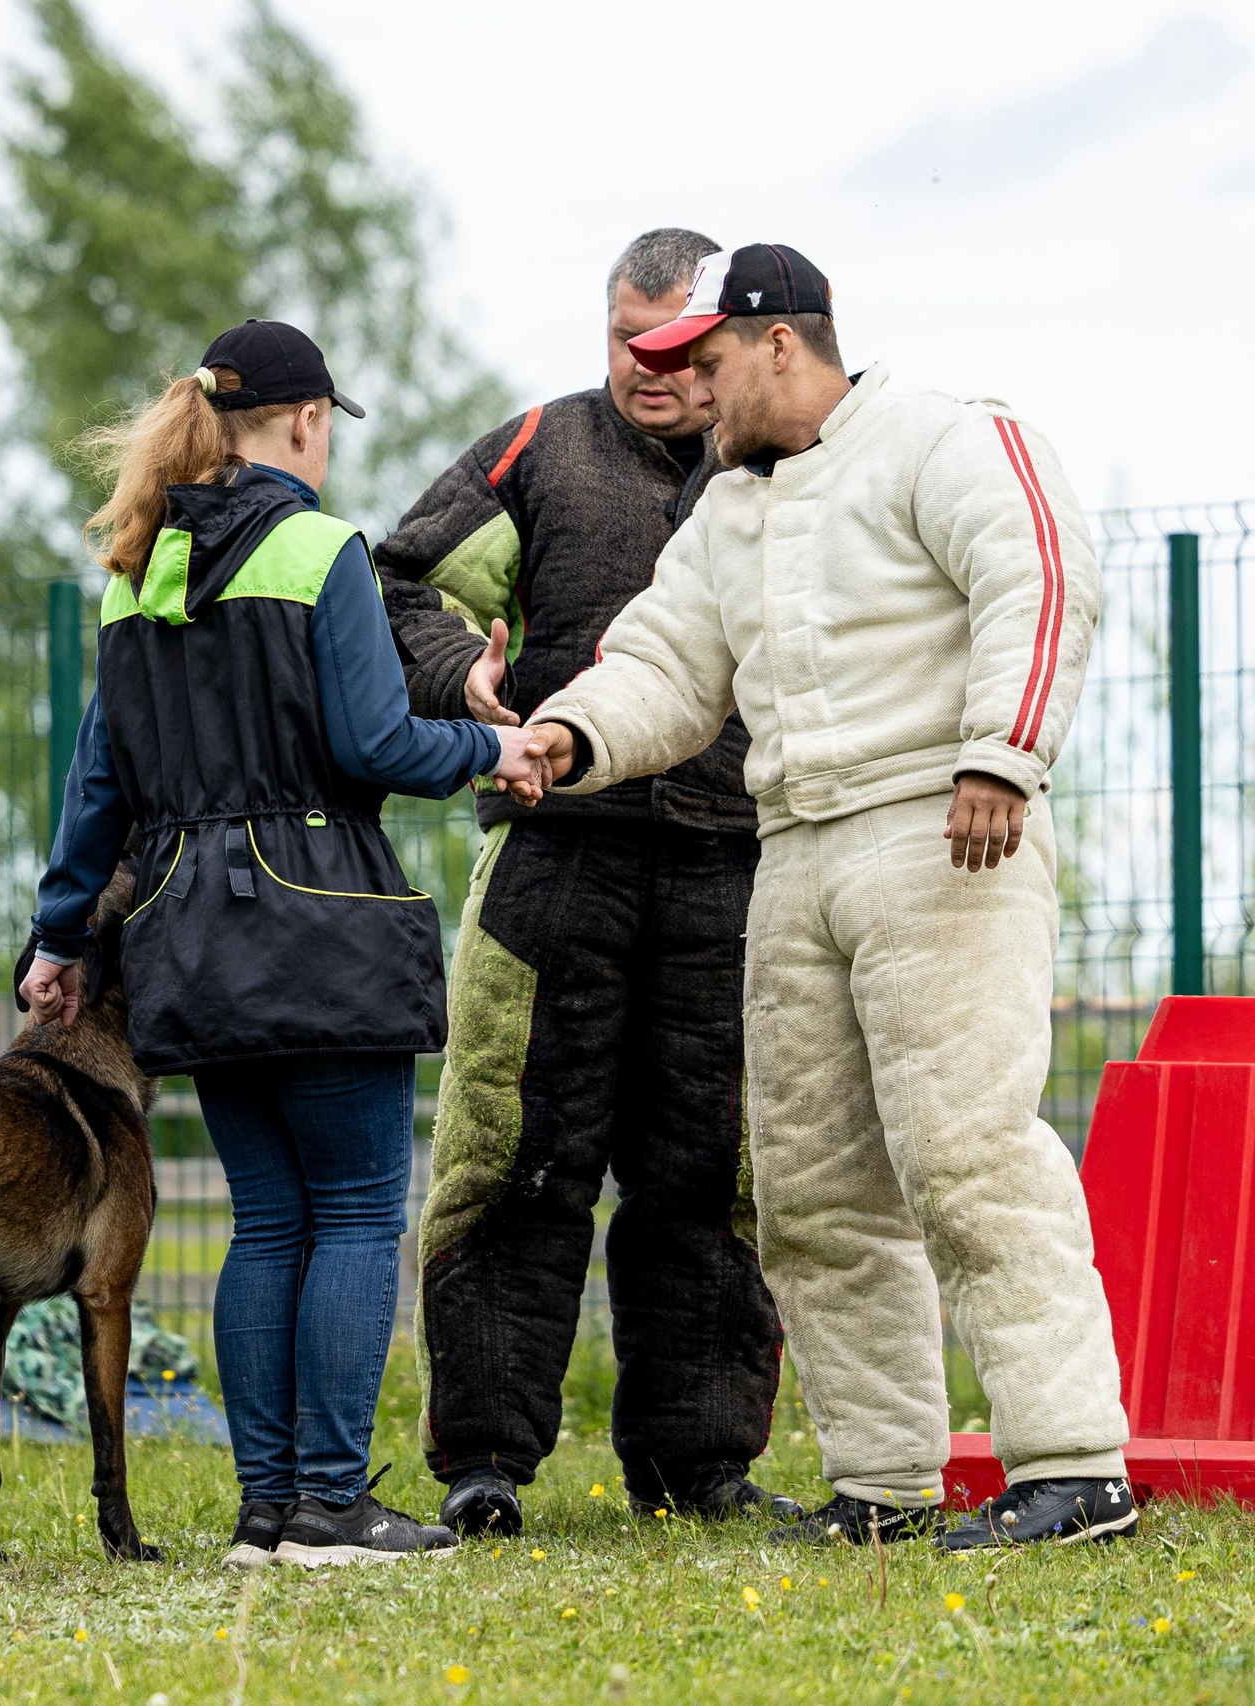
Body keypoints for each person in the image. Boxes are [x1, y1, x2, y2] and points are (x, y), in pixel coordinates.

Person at [512, 245, 1137, 1551]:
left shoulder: (944, 438)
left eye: (703, 361)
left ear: (779, 343)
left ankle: (1075, 1461)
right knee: (813, 1187)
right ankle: (885, 1480)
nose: (679, 383)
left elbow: (1040, 573)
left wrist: (1000, 754)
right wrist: (568, 734)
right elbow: (669, 668)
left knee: (968, 1152)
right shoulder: (726, 514)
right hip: (792, 849)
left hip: (946, 825)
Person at [18, 317, 546, 1569]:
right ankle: (328, 1500)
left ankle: (266, 1508)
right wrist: (495, 746)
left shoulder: (136, 566)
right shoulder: (321, 549)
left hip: (181, 935)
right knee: (359, 1211)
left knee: (266, 1221)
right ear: (308, 422)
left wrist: (57, 933)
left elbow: (100, 780)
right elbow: (375, 744)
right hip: (318, 919)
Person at [374, 230, 797, 1537]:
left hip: (734, 867)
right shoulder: (537, 453)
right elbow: (399, 588)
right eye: (624, 335)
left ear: (721, 340)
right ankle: (484, 1462)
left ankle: (702, 1464)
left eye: (673, 343)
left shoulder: (780, 470)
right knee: (513, 1168)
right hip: (555, 864)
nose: (646, 366)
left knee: (713, 1181)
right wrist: (467, 680)